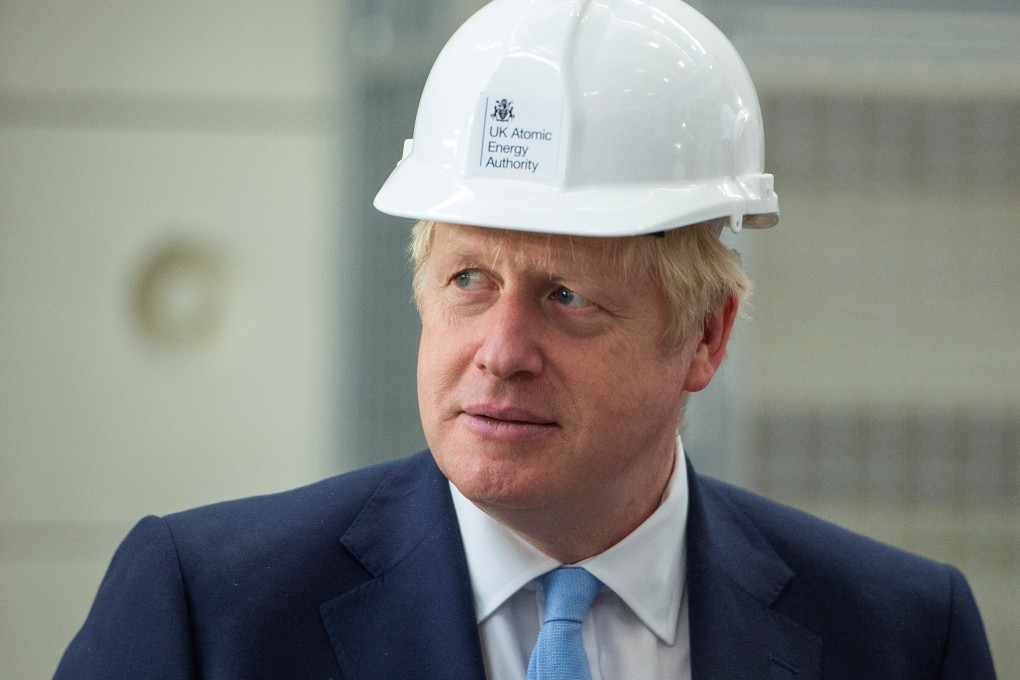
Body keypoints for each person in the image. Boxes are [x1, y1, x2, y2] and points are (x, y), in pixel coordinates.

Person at [56, 1, 997, 678]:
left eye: (568, 295)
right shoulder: (205, 611)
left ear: (706, 339)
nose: (501, 350)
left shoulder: (905, 636)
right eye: (470, 280)